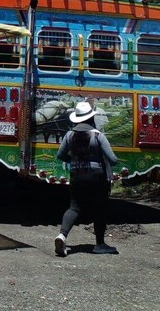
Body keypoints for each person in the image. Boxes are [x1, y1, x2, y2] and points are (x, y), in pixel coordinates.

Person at [55, 101, 119, 257]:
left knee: (74, 207)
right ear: (91, 118)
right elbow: (112, 159)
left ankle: (62, 235)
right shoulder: (98, 135)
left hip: (77, 175)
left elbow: (60, 155)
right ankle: (100, 244)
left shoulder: (69, 135)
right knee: (100, 208)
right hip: (97, 177)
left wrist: (74, 161)